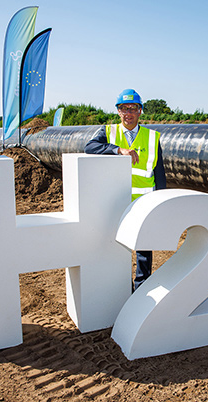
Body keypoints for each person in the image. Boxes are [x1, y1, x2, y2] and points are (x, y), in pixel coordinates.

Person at [85, 89, 166, 291]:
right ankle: (120, 287)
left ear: (140, 111)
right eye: (124, 108)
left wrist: (162, 200)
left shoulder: (152, 137)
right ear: (118, 112)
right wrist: (117, 150)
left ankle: (141, 287)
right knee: (117, 245)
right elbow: (89, 146)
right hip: (117, 200)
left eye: (133, 108)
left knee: (144, 247)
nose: (128, 112)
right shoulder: (108, 132)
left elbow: (160, 173)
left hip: (143, 201)